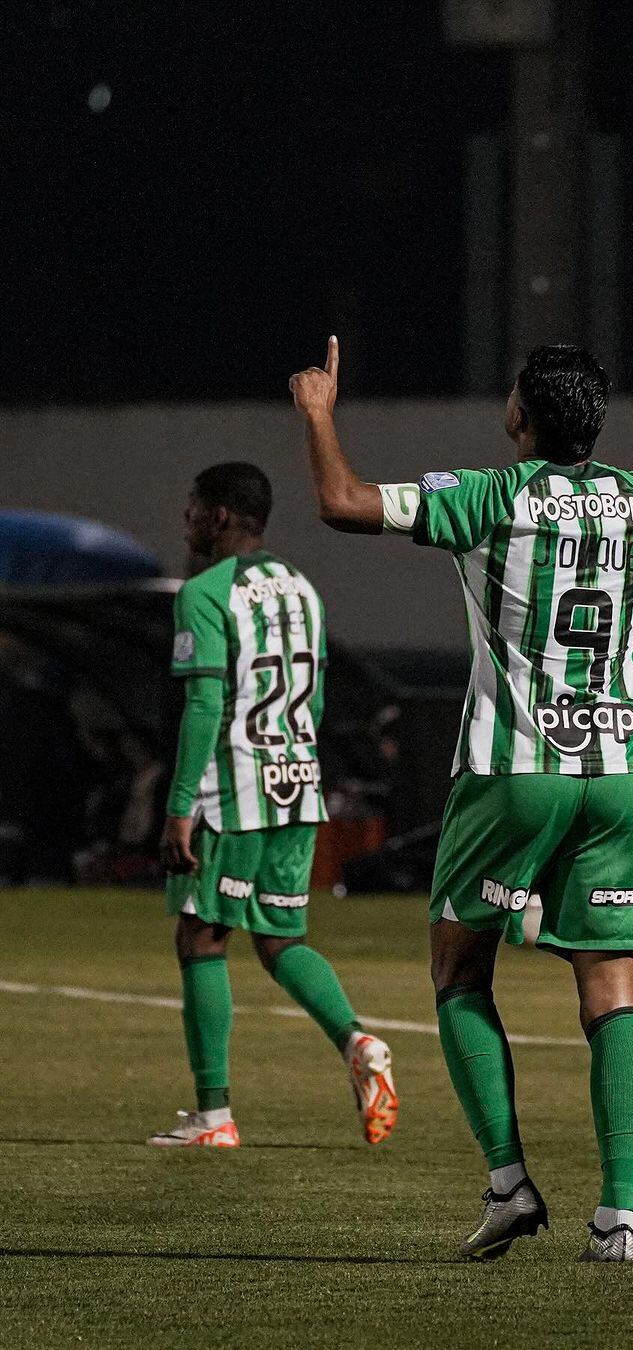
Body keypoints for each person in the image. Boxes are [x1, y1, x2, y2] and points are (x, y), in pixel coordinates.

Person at [289, 331, 633, 1260]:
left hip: (514, 769)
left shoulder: (488, 496)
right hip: (623, 773)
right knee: (613, 996)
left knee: (459, 971)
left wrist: (318, 414)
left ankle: (510, 1182)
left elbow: (341, 502)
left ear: (520, 414)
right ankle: (619, 1217)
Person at [151, 461, 398, 1148]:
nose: (187, 520)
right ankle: (357, 1040)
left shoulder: (203, 593)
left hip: (236, 791)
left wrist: (178, 808)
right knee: (282, 938)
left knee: (201, 936)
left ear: (220, 517)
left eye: (194, 507)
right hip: (298, 781)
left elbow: (204, 704)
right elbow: (315, 699)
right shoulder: (303, 590)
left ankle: (214, 1117)